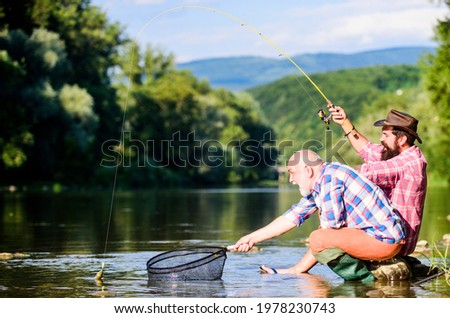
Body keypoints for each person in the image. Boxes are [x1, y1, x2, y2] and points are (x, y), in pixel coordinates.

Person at [233, 150, 405, 280]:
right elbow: (291, 217)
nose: (291, 179)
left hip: (384, 241)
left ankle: (366, 279)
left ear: (307, 171)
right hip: (381, 237)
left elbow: (327, 233)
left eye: (292, 173)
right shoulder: (323, 179)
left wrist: (298, 268)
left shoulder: (329, 180)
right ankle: (298, 270)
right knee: (321, 235)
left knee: (318, 237)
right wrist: (251, 237)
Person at [327, 102, 427, 257]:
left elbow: (367, 172)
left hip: (395, 243)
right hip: (390, 236)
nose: (381, 139)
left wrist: (327, 171)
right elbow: (367, 150)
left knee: (324, 237)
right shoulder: (396, 153)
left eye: (385, 135)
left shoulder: (408, 162)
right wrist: (344, 122)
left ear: (401, 140)